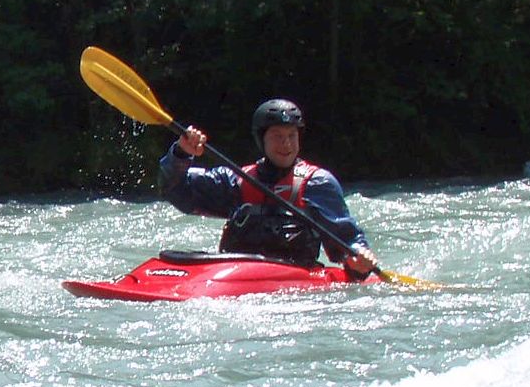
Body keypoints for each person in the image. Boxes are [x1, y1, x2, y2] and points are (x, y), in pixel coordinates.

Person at [158, 98, 380, 279]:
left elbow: (347, 240)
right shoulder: (236, 180)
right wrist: (181, 153)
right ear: (261, 140)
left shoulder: (317, 184)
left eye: (292, 136)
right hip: (235, 278)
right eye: (277, 136)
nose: (287, 145)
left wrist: (358, 257)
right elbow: (176, 190)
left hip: (293, 283)